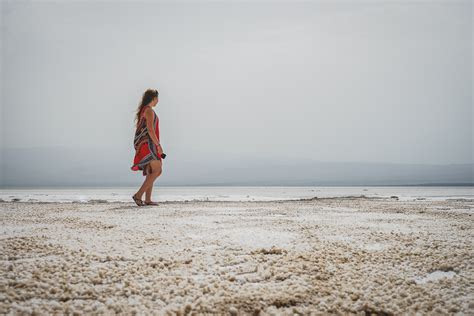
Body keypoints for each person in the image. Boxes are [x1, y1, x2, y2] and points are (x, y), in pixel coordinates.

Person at [131, 88, 164, 206]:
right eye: (157, 98)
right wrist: (158, 145)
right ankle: (138, 195)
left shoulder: (144, 110)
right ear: (154, 98)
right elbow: (150, 129)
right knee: (157, 170)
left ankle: (148, 199)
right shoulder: (149, 110)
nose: (158, 101)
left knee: (152, 171)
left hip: (146, 144)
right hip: (148, 144)